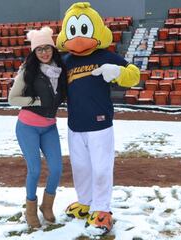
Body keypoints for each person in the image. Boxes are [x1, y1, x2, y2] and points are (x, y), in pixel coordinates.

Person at [56, 2, 140, 234]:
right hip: (75, 125)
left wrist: (119, 73)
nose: (79, 38)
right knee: (80, 167)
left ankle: (102, 209)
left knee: (101, 168)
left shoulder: (106, 56)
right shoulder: (66, 61)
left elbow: (134, 75)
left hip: (100, 124)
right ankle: (85, 203)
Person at [8, 26, 67, 228]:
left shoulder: (60, 71)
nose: (44, 52)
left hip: (49, 127)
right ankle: (30, 209)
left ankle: (46, 206)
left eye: (47, 48)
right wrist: (35, 101)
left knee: (57, 169)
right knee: (34, 170)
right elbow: (12, 99)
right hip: (28, 127)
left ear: (53, 49)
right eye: (39, 49)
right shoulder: (28, 70)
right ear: (34, 52)